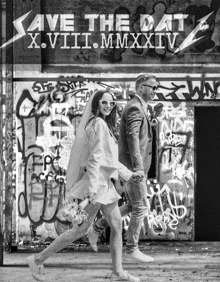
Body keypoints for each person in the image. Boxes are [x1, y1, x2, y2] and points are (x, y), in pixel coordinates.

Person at [27, 90, 141, 282]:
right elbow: (96, 158)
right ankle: (37, 259)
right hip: (97, 185)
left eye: (111, 103)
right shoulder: (98, 124)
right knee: (83, 229)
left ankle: (117, 272)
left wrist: (129, 175)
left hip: (101, 184)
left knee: (114, 224)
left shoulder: (100, 124)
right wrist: (93, 188)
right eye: (104, 102)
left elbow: (109, 159)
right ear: (96, 104)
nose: (108, 106)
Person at [87, 74, 159, 263]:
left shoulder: (140, 107)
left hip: (131, 168)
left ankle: (97, 227)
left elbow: (139, 136)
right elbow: (132, 139)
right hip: (132, 168)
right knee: (141, 206)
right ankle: (132, 248)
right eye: (153, 87)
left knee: (135, 205)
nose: (155, 90)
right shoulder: (135, 107)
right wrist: (138, 168)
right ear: (141, 87)